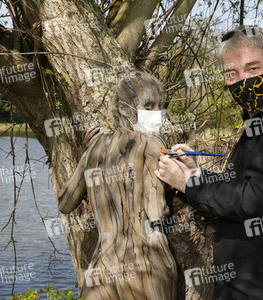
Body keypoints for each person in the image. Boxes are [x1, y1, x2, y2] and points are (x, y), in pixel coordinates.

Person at [155, 26, 263, 299]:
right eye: (231, 73)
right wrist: (195, 171)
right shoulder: (261, 119)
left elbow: (253, 200)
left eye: (253, 68)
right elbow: (243, 185)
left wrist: (188, 184)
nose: (242, 80)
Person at [57, 71, 177, 300]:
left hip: (101, 269)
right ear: (124, 109)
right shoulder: (154, 144)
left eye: (161, 106)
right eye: (149, 106)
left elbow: (64, 203)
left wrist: (86, 158)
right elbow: (157, 210)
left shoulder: (94, 148)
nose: (158, 114)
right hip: (148, 266)